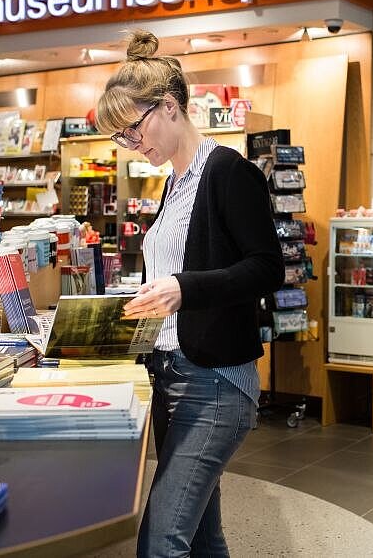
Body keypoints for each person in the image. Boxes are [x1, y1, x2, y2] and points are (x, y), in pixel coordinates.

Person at [95, 29, 284, 557]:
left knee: (161, 542)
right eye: (124, 138)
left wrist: (184, 289)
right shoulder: (173, 183)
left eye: (134, 130)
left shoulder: (228, 171)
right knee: (201, 536)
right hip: (171, 374)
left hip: (215, 382)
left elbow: (268, 268)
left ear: (171, 107)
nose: (133, 144)